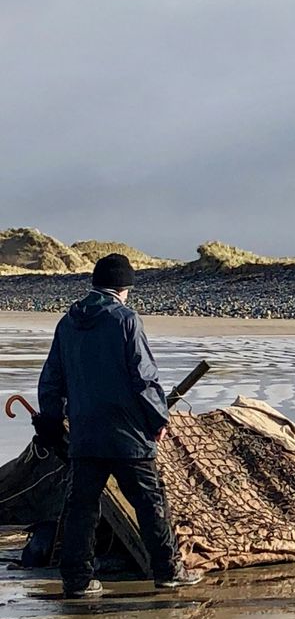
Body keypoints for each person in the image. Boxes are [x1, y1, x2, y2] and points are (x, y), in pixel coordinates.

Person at [36, 253, 202, 598]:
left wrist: (51, 421)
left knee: (81, 506)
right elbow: (144, 379)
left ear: (95, 284)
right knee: (150, 501)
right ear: (124, 288)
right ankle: (168, 571)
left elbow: (51, 380)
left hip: (85, 433)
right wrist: (158, 419)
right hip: (127, 435)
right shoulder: (126, 320)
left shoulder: (67, 323)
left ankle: (77, 580)